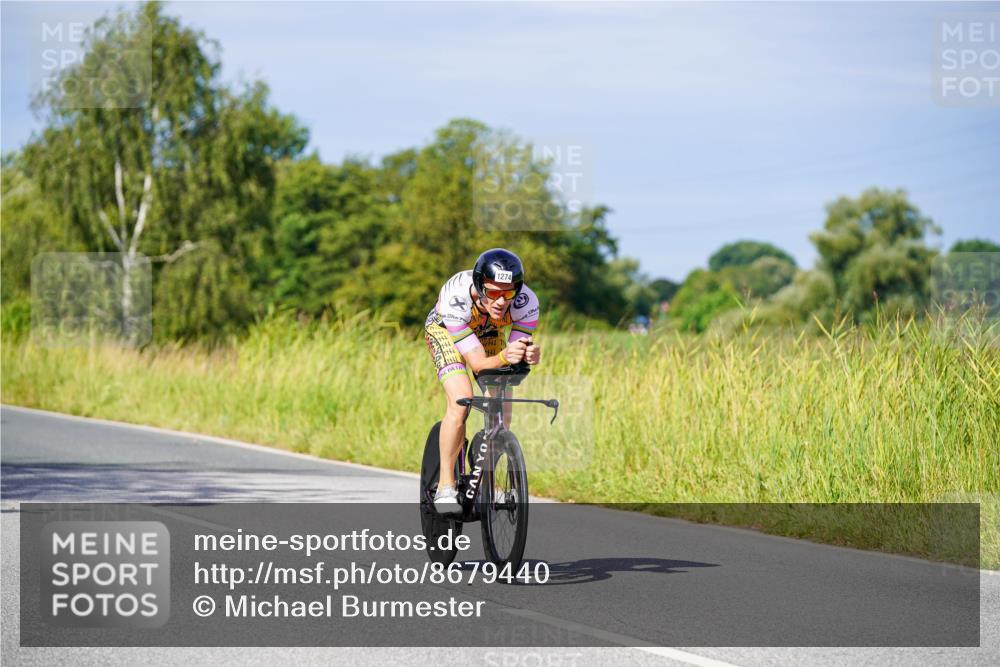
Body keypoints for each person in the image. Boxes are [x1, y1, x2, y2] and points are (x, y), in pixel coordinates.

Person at [423, 248, 541, 513]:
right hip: (447, 330)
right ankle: (445, 485)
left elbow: (512, 359)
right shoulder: (455, 298)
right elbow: (478, 363)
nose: (501, 301)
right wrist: (506, 355)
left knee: (502, 411)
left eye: (508, 293)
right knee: (460, 400)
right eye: (493, 292)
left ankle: (487, 479)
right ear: (479, 286)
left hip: (489, 332)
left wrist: (527, 355)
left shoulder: (527, 303)